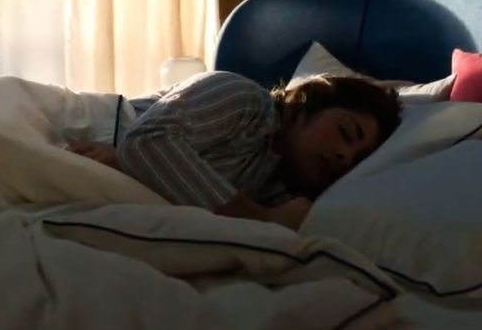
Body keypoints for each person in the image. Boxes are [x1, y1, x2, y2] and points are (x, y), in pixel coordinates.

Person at [67, 71, 401, 231]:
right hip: (77, 126)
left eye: (358, 158)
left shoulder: (277, 186)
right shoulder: (243, 101)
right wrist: (256, 218)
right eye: (344, 132)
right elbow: (146, 143)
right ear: (307, 105)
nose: (345, 157)